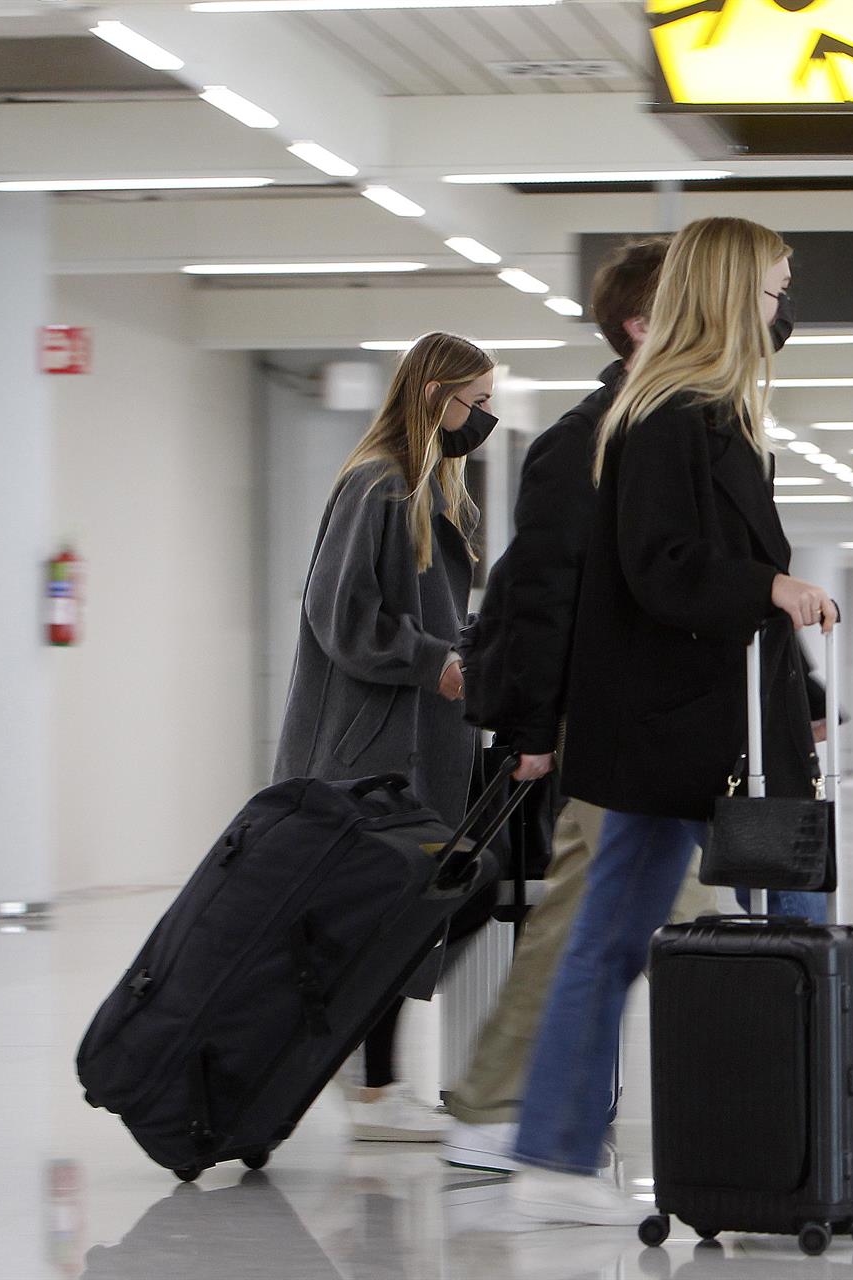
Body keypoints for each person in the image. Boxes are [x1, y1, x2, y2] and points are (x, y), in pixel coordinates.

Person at [506, 215, 837, 1225]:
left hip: (687, 726)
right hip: (692, 732)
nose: (784, 307)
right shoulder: (667, 414)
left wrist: (798, 686)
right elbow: (665, 568)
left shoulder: (707, 409)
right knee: (795, 928)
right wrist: (770, 586)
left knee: (614, 935)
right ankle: (803, 1154)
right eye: (774, 289)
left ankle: (554, 1154)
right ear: (733, 294)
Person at [441, 238, 744, 1170]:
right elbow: (542, 595)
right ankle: (509, 1110)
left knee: (638, 921)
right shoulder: (589, 440)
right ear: (643, 326)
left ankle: (527, 1111)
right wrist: (534, 728)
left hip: (664, 726)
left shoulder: (680, 424)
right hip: (612, 727)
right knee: (614, 922)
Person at [272, 330, 499, 1142]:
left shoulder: (433, 492)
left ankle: (370, 1082)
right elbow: (337, 611)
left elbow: (430, 612)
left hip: (418, 740)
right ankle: (368, 1085)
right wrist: (431, 660)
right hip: (368, 746)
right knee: (418, 899)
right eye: (476, 402)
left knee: (421, 902)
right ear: (435, 393)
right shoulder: (378, 484)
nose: (484, 418)